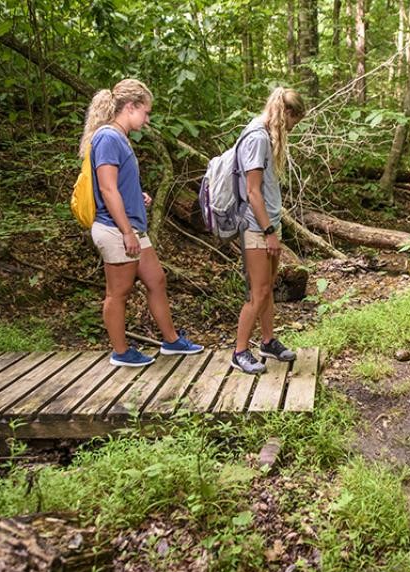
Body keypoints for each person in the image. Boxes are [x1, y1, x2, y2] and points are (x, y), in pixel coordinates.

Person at [79, 79, 203, 367]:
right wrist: (126, 232)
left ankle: (172, 342)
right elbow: (107, 189)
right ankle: (120, 352)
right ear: (130, 107)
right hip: (115, 229)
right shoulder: (108, 137)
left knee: (156, 280)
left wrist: (138, 196)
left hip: (131, 225)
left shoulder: (119, 138)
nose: (147, 120)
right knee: (118, 292)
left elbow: (117, 185)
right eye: (145, 113)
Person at [231, 87, 306, 374]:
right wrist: (268, 230)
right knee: (259, 291)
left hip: (269, 223)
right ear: (286, 113)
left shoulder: (267, 135)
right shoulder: (257, 137)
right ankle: (239, 352)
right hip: (256, 226)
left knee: (268, 288)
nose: (293, 126)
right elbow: (252, 192)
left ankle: (267, 341)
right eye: (294, 120)